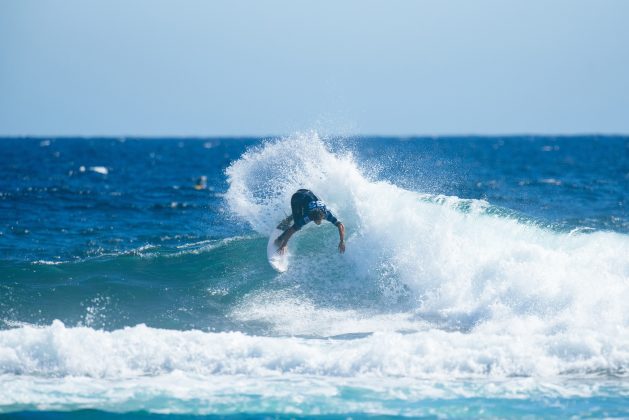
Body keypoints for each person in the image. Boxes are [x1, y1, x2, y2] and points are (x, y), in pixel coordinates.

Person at [275, 189, 345, 254]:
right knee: (297, 224)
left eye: (319, 221)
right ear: (312, 219)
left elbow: (340, 225)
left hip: (308, 193)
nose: (318, 223)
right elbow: (292, 230)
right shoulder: (308, 217)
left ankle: (292, 216)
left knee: (301, 213)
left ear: (322, 217)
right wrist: (284, 245)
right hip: (297, 197)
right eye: (316, 221)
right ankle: (279, 239)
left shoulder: (327, 214)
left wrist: (342, 241)